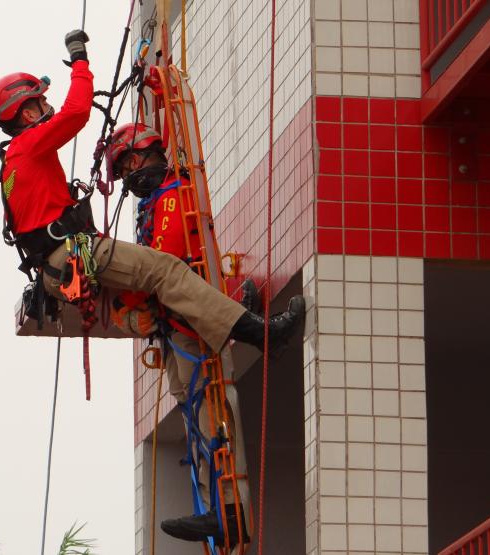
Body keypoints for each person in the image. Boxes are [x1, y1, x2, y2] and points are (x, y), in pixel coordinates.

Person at [0, 30, 304, 371]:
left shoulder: (11, 167)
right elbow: (77, 111)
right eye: (41, 101)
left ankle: (217, 334)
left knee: (156, 295)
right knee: (165, 270)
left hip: (58, 268)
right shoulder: (30, 145)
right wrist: (80, 61)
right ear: (28, 115)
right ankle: (261, 334)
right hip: (71, 255)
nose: (48, 106)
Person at [104, 123, 296, 547]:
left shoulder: (172, 196)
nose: (130, 175)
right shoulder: (154, 203)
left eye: (130, 163)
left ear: (145, 155)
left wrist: (126, 301)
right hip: (173, 329)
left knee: (213, 420)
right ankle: (217, 511)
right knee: (196, 421)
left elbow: (163, 259)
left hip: (188, 323)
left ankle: (227, 514)